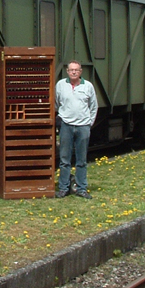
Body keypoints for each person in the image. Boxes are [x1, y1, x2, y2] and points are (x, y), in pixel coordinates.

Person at [55, 61, 98, 199]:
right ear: (67, 71)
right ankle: (63, 188)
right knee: (64, 159)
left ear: (81, 72)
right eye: (71, 70)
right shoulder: (61, 85)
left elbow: (93, 106)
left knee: (82, 159)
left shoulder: (88, 86)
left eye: (76, 70)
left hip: (83, 126)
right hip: (66, 125)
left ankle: (81, 188)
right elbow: (56, 103)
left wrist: (88, 123)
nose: (73, 72)